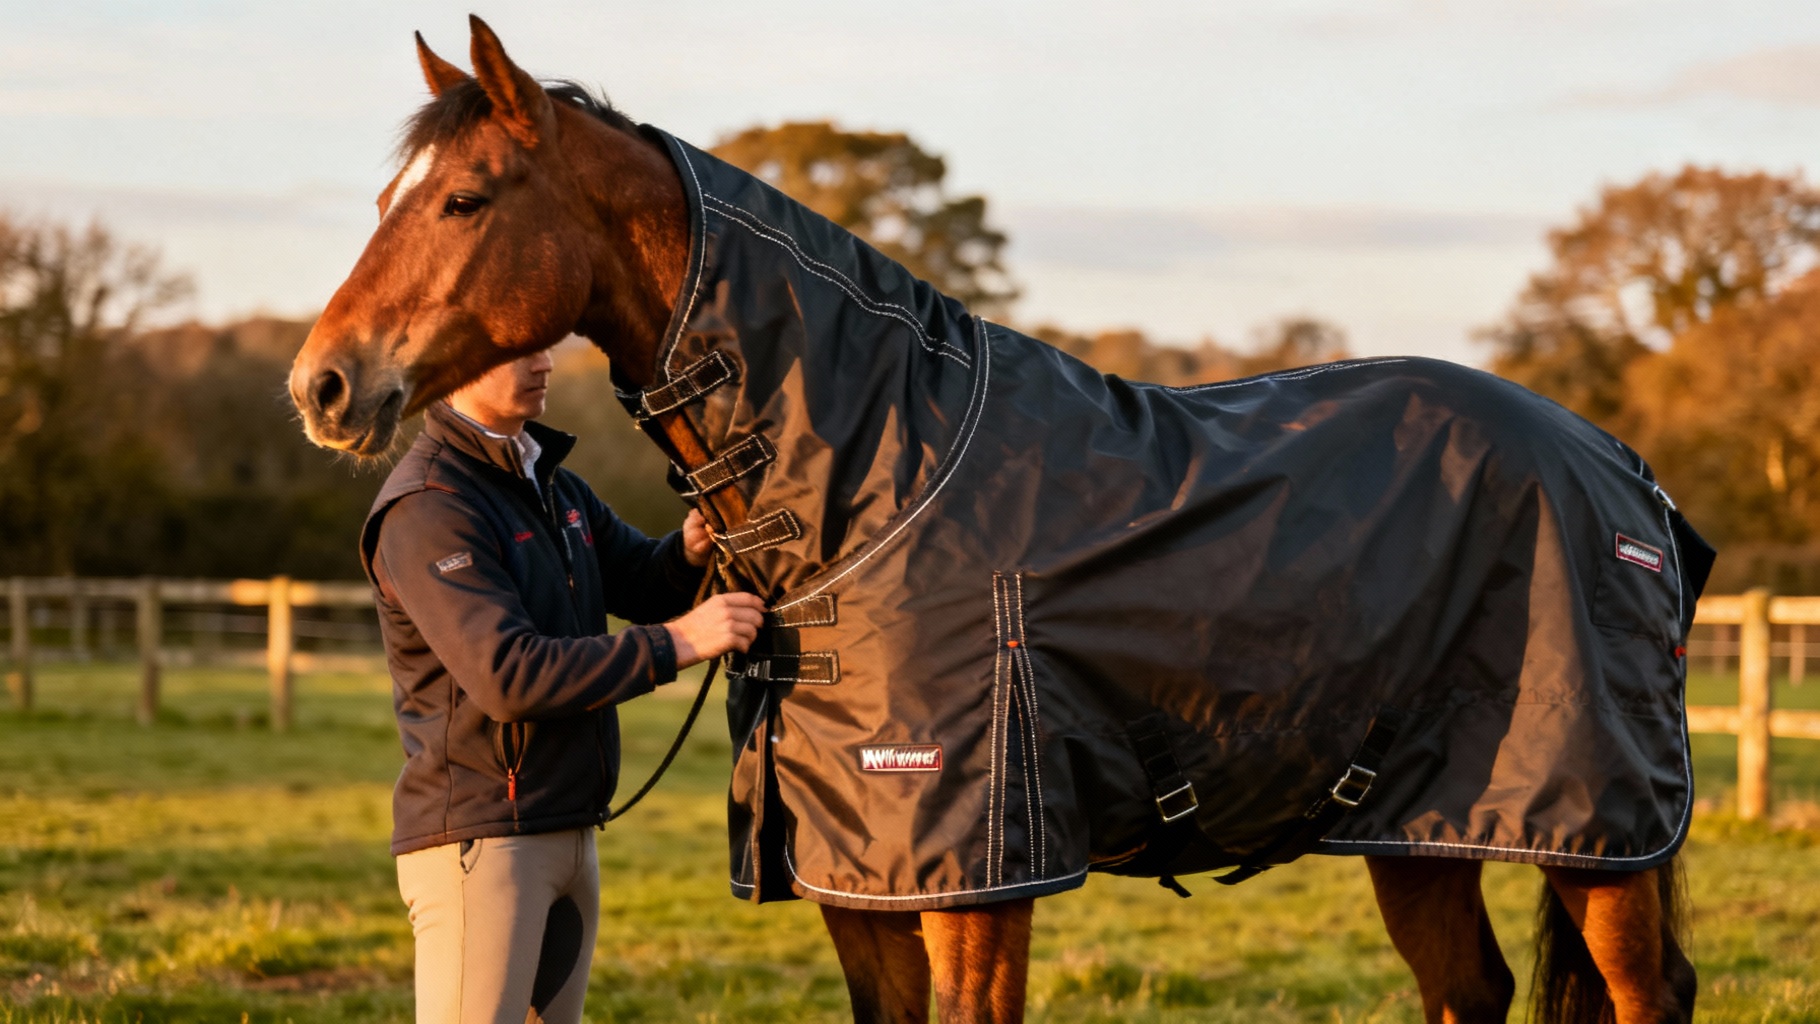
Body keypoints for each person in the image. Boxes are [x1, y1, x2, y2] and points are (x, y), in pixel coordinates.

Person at [359, 347, 765, 1024]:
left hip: (571, 829)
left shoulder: (551, 482)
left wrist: (687, 552)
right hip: (485, 845)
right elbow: (509, 675)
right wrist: (682, 641)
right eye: (518, 349)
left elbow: (639, 579)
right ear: (454, 365)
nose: (544, 361)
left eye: (545, 344)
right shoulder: (428, 508)